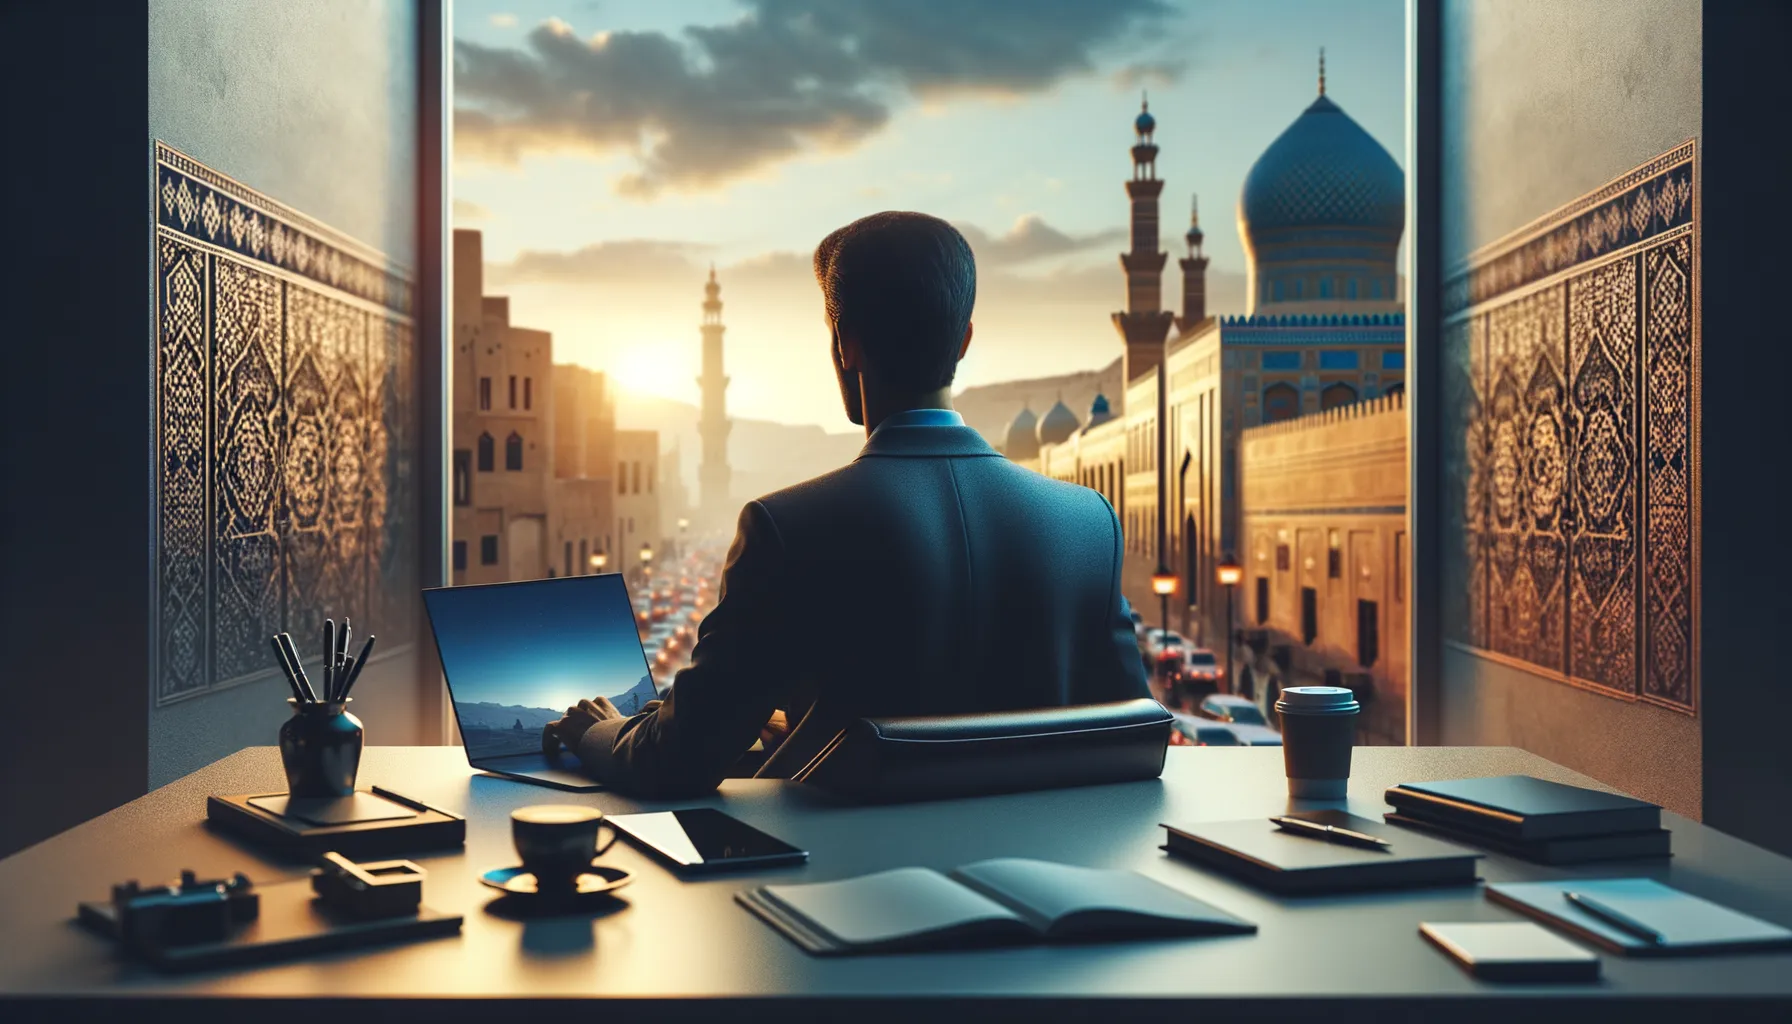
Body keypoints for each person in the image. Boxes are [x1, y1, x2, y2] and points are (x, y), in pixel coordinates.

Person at [546, 211, 1150, 797]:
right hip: (1041, 883)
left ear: (845, 345)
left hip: (847, 890)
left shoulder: (787, 530)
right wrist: (808, 729)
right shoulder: (1089, 524)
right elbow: (1129, 735)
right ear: (963, 342)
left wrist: (595, 731)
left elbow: (676, 760)